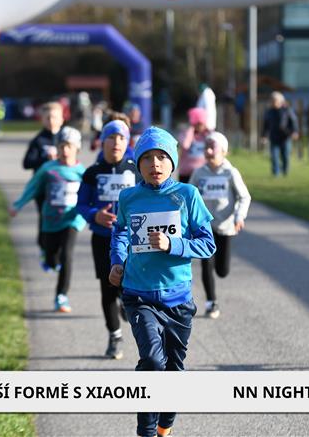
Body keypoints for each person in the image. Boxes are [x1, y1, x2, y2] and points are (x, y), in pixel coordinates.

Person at [109, 127, 216, 437]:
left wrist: (173, 244)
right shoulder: (128, 197)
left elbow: (208, 244)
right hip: (138, 295)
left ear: (173, 162)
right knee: (152, 362)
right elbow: (121, 232)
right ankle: (145, 431)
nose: (154, 164)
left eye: (161, 157)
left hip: (178, 299)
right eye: (146, 158)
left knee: (173, 369)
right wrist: (117, 261)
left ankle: (164, 424)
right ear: (137, 163)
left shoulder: (187, 195)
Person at [76, 120, 137, 359]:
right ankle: (115, 336)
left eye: (121, 138)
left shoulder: (135, 169)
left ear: (127, 142)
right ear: (103, 142)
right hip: (102, 239)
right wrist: (95, 215)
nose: (116, 142)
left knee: (127, 284)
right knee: (107, 288)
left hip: (131, 241)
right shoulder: (92, 172)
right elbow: (81, 204)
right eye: (111, 137)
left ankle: (125, 299)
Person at [11, 127, 85, 313]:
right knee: (51, 256)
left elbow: (91, 196)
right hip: (50, 220)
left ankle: (61, 296)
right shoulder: (48, 169)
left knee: (67, 255)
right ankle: (48, 257)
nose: (65, 150)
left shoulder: (82, 172)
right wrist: (18, 205)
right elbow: (33, 187)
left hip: (72, 219)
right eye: (61, 146)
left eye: (69, 146)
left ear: (77, 148)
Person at [189, 131, 251, 319]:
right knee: (206, 264)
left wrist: (239, 216)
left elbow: (244, 197)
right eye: (206, 147)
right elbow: (189, 197)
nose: (208, 151)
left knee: (222, 271)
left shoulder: (230, 173)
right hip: (205, 228)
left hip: (226, 226)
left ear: (224, 151)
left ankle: (218, 272)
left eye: (212, 147)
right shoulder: (199, 173)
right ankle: (211, 302)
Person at [22, 102, 64, 269]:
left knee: (62, 220)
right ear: (42, 120)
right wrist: (45, 158)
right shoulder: (38, 140)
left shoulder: (65, 139)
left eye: (54, 117)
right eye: (48, 118)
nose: (51, 121)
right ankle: (44, 250)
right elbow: (26, 163)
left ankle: (58, 254)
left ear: (62, 119)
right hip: (43, 188)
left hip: (62, 188)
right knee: (45, 219)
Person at [262, 91, 299, 176]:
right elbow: (266, 125)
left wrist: (295, 132)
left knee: (285, 156)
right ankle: (276, 173)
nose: (272, 102)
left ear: (280, 101)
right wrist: (264, 136)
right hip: (274, 137)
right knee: (274, 156)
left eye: (274, 100)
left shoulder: (287, 110)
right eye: (272, 100)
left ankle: (285, 171)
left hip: (285, 137)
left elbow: (294, 122)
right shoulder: (269, 112)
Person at [178, 107, 211, 183]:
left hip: (202, 173)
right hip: (186, 173)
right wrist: (190, 130)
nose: (200, 126)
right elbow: (185, 145)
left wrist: (208, 131)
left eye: (202, 123)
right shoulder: (186, 134)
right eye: (198, 124)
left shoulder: (207, 135)